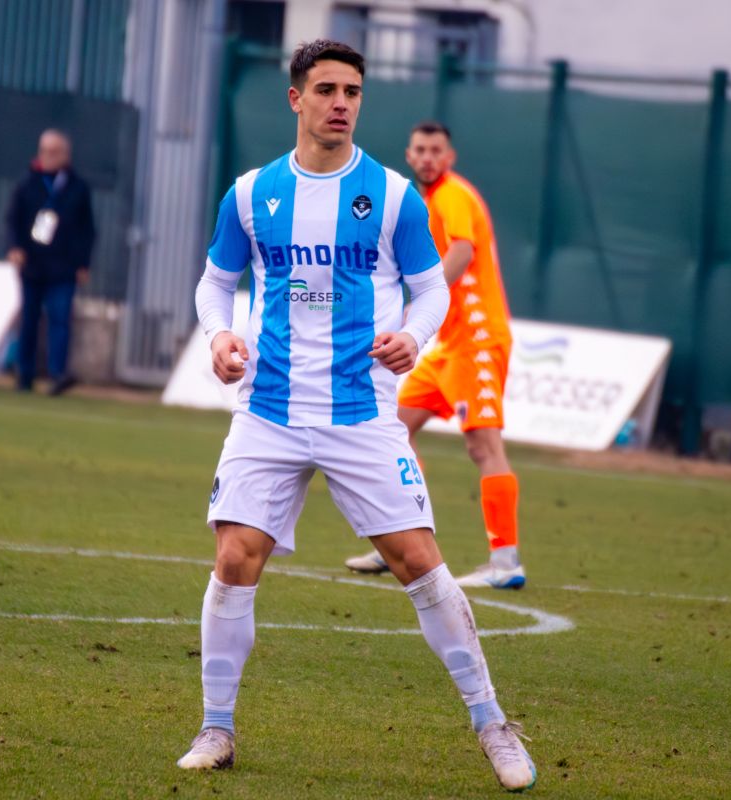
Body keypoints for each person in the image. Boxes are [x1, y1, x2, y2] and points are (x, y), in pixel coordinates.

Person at [175, 41, 535, 793]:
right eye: (327, 90)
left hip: (361, 411)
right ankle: (216, 727)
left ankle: (493, 723)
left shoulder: (394, 196)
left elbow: (431, 288)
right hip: (268, 408)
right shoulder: (251, 193)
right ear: (296, 98)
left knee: (418, 561)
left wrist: (414, 335)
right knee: (235, 557)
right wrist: (219, 335)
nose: (341, 103)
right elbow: (215, 283)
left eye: (353, 92)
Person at [345, 122, 524, 590]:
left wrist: (423, 298)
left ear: (449, 157)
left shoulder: (452, 195)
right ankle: (401, 541)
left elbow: (463, 250)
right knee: (393, 429)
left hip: (477, 340)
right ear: (409, 155)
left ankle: (505, 561)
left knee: (483, 447)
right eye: (420, 150)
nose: (427, 158)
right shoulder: (425, 201)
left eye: (435, 151)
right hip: (448, 345)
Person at [5, 129, 95, 395]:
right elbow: (13, 219)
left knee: (60, 319)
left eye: (54, 152)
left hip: (63, 267)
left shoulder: (78, 188)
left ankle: (58, 374)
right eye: (44, 151)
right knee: (29, 319)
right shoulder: (27, 183)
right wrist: (14, 248)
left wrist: (83, 264)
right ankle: (24, 374)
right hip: (32, 265)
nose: (47, 157)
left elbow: (87, 229)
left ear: (65, 155)